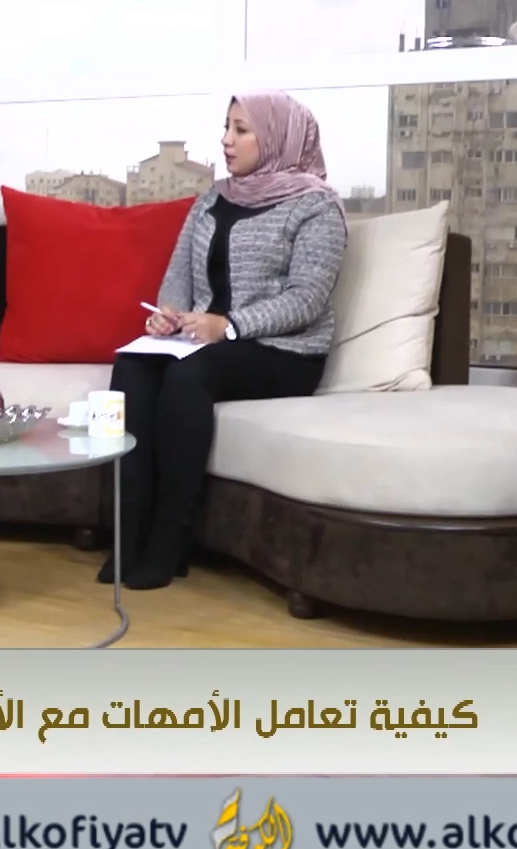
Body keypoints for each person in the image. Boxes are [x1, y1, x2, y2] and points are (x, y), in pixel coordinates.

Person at [102, 90, 348, 590]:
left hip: (284, 351)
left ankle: (171, 541)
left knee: (189, 375)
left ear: (276, 138)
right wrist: (168, 316)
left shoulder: (317, 206)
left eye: (241, 129)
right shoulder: (212, 199)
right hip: (208, 340)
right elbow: (178, 279)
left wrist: (229, 325)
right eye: (226, 127)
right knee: (133, 366)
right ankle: (128, 534)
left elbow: (307, 300)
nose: (226, 140)